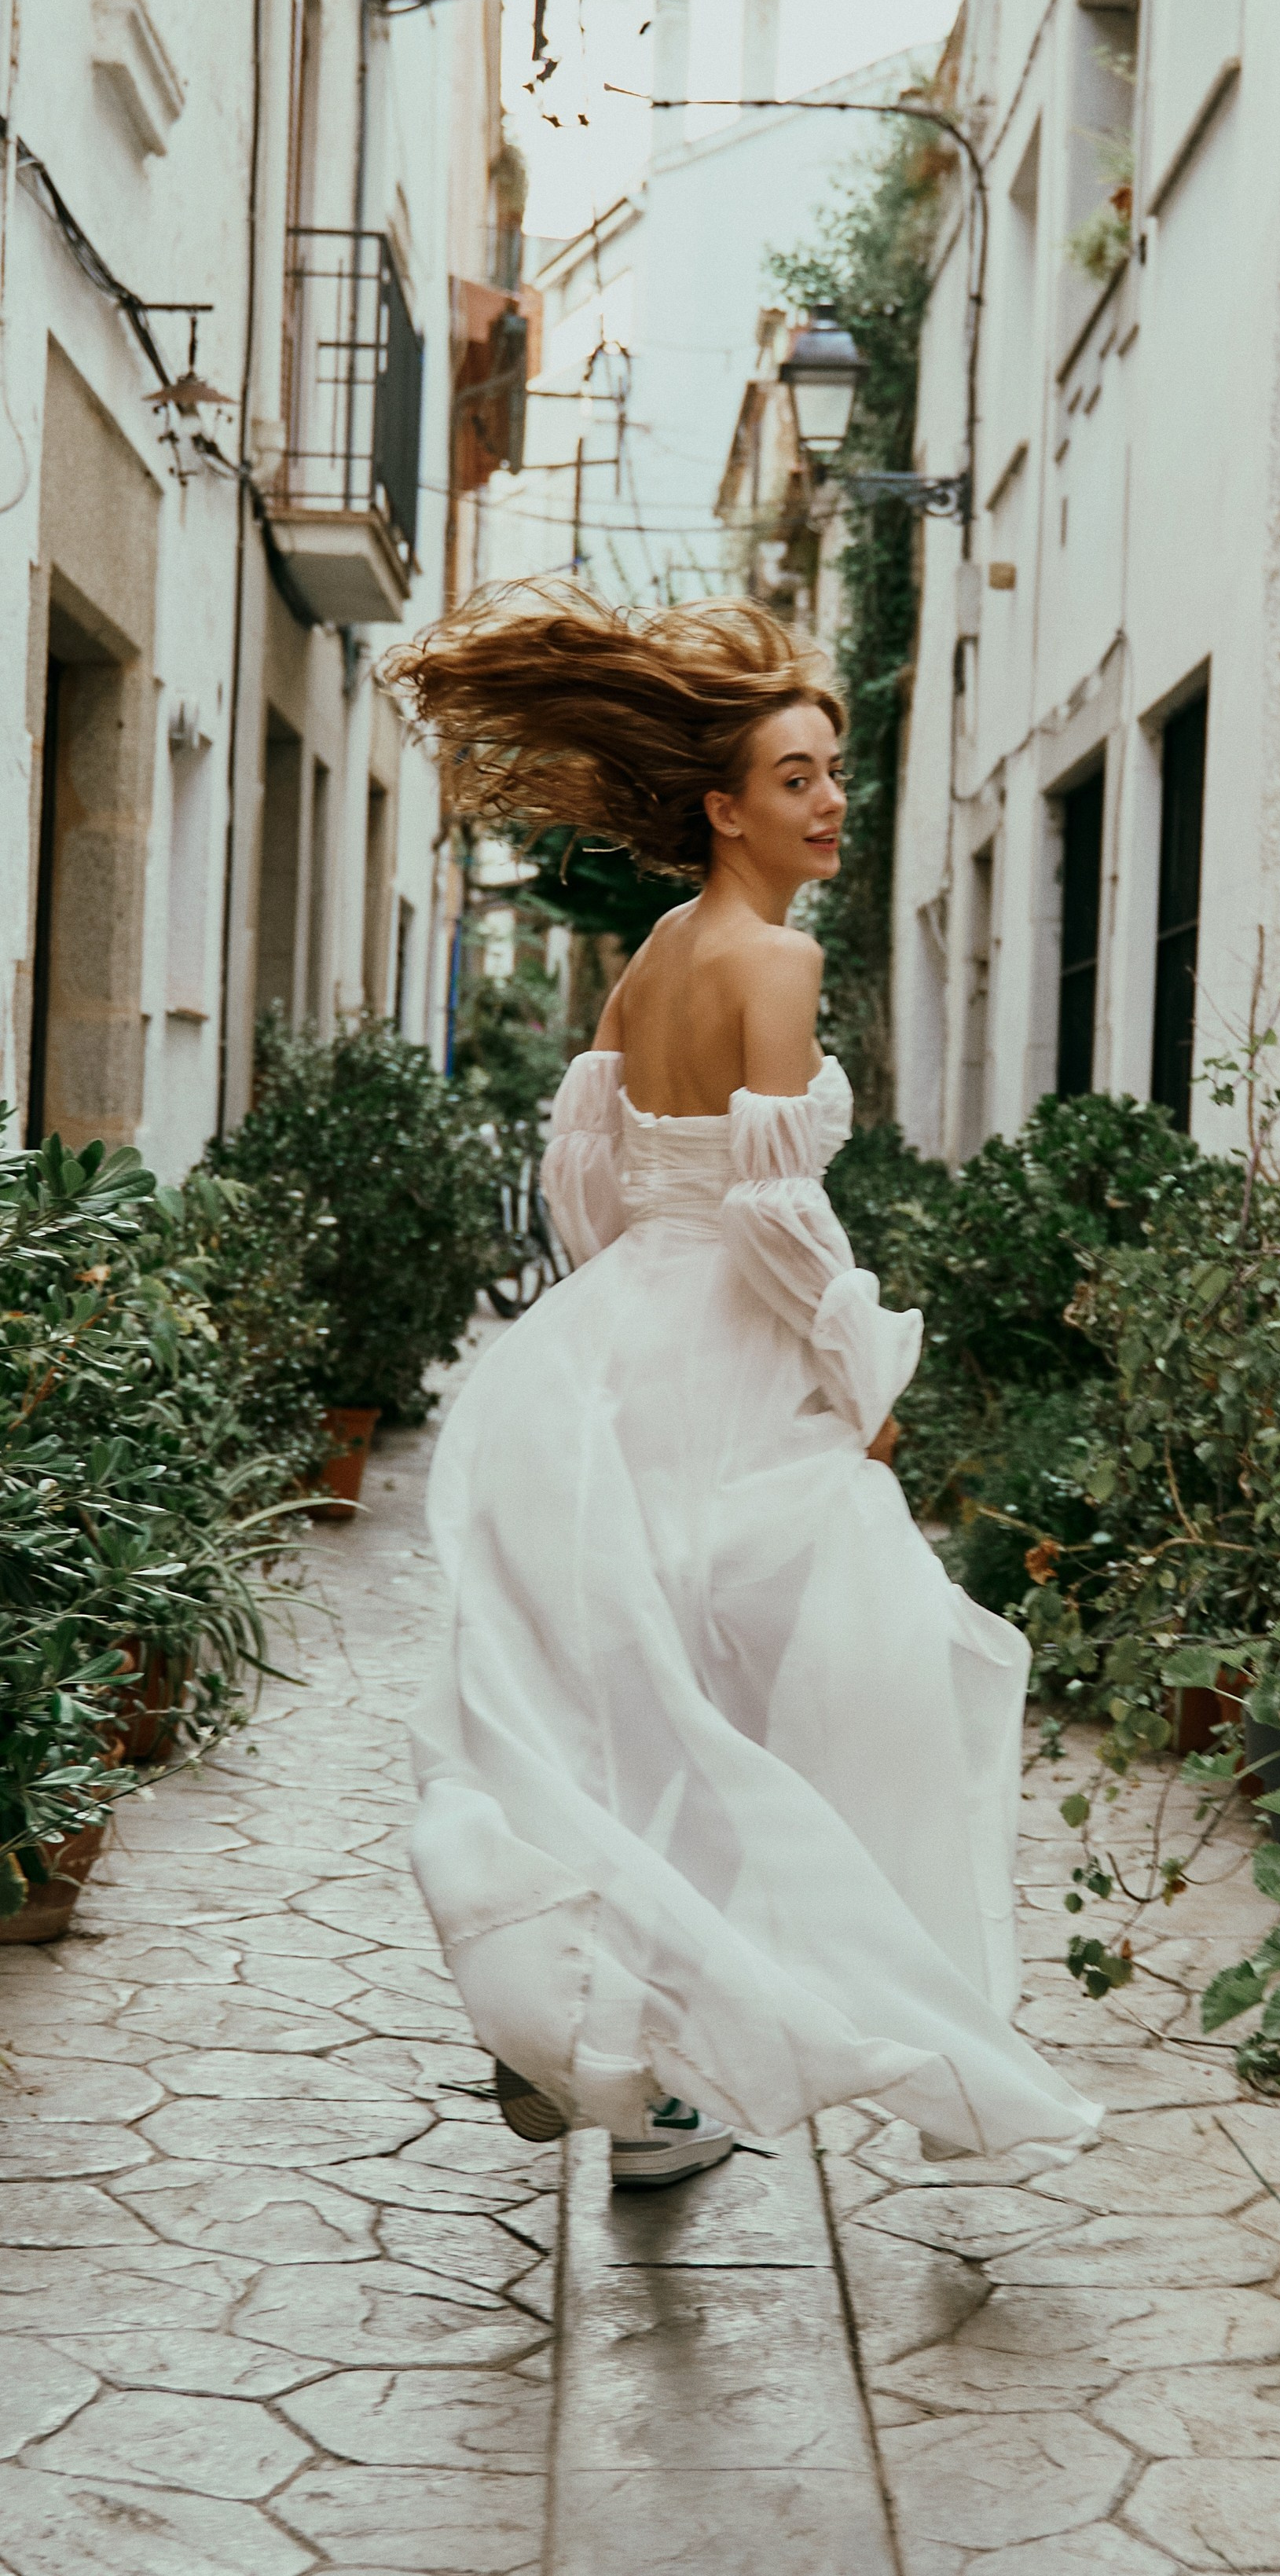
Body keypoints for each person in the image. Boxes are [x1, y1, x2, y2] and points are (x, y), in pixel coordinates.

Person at [389, 585, 1100, 2185]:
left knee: (645, 1704)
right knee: (818, 1691)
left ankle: (628, 2057)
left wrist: (619, 1324)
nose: (830, 798)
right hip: (731, 1348)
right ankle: (663, 2034)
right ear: (723, 806)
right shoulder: (773, 961)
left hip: (620, 1344)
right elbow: (780, 1212)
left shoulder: (653, 954)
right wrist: (855, 1368)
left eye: (835, 770)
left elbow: (587, 1169)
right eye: (796, 776)